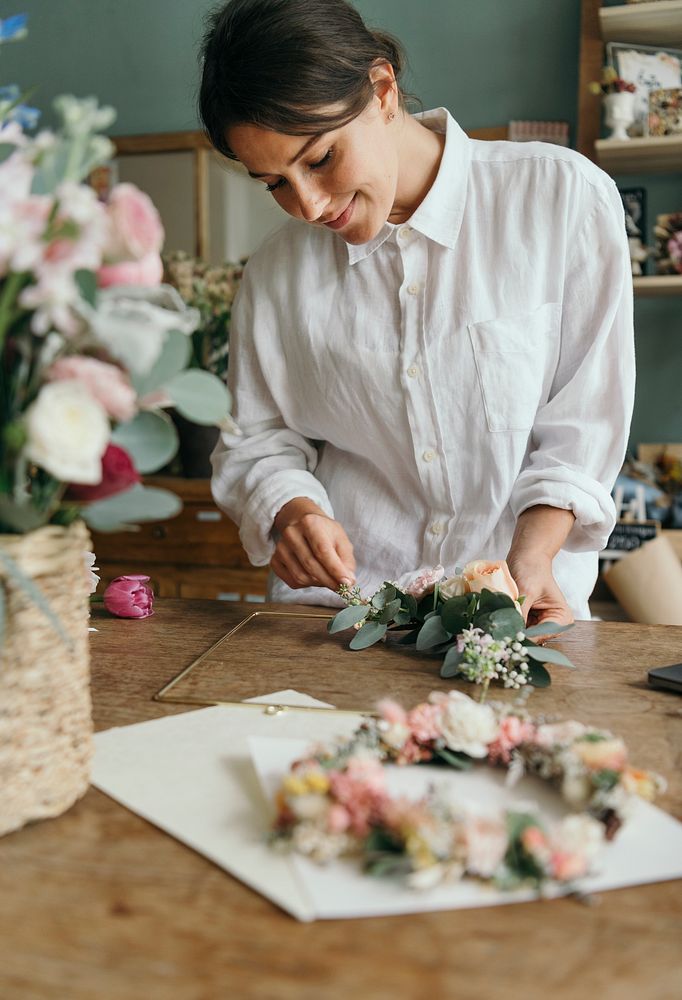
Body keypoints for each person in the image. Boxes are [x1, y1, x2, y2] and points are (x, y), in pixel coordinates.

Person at [199, 0, 634, 625]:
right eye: (275, 183)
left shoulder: (561, 199)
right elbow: (256, 440)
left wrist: (530, 559)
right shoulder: (275, 272)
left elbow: (584, 424)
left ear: (381, 90)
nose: (310, 205)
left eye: (320, 158)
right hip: (334, 620)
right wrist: (290, 509)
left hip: (522, 614)